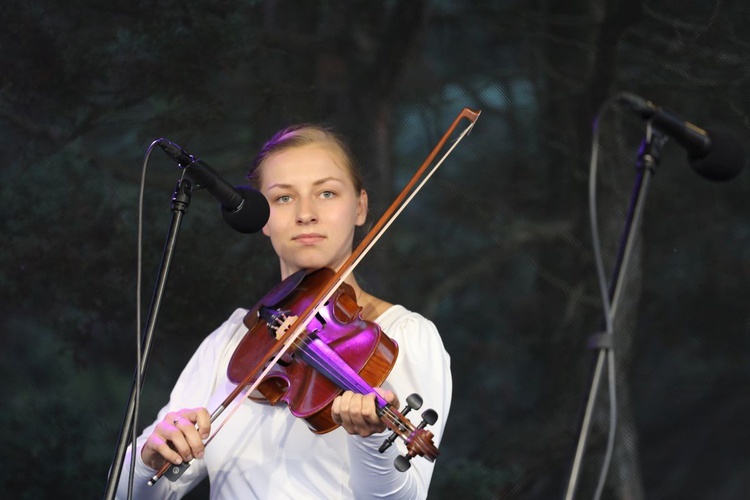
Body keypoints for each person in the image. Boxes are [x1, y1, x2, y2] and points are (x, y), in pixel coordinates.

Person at [116, 124, 453, 499]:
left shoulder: (406, 335)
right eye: (283, 198)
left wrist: (370, 442)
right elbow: (128, 495)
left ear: (359, 207)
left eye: (326, 193)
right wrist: (148, 458)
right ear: (260, 217)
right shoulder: (232, 339)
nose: (306, 214)